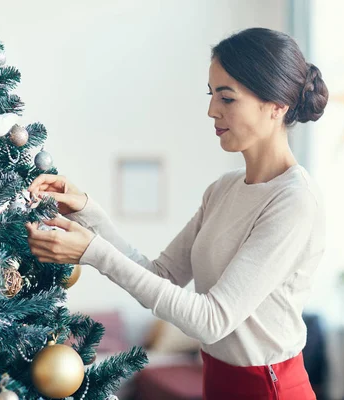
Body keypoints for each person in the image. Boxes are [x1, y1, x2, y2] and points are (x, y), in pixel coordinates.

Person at [25, 27, 328, 400]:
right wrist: (89, 212)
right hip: (217, 384)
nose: (211, 110)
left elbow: (211, 321)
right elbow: (160, 275)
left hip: (269, 390)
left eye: (227, 98)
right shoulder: (223, 190)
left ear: (276, 106)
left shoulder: (294, 201)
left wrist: (92, 253)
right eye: (211, 94)